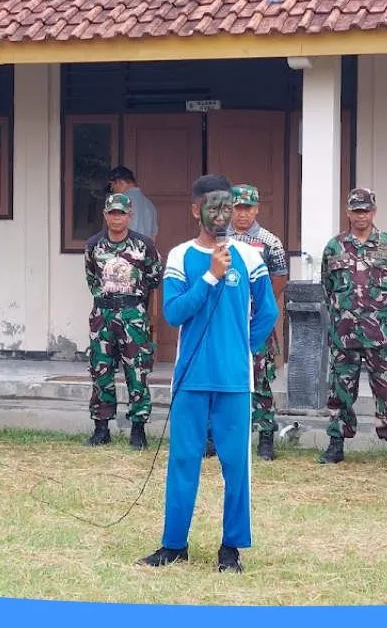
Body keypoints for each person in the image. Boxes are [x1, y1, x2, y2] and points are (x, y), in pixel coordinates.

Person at [138, 174, 278, 574]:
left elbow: (268, 311)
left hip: (234, 380)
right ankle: (173, 543)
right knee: (184, 460)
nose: (223, 215)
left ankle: (231, 547)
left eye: (228, 207)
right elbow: (174, 312)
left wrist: (242, 349)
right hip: (190, 378)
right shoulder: (181, 256)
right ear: (196, 210)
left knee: (236, 464)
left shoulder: (251, 257)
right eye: (213, 207)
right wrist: (212, 275)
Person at [318, 188, 387, 471]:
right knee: (339, 390)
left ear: (373, 212)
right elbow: (328, 288)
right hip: (344, 333)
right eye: (356, 211)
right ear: (348, 213)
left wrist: (380, 314)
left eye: (366, 211)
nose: (361, 216)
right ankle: (336, 444)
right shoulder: (334, 247)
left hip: (382, 335)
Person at [83, 192, 164, 450]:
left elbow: (154, 277)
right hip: (103, 316)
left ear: (130, 215)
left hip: (132, 316)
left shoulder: (144, 245)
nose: (117, 218)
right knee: (101, 370)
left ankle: (138, 429)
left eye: (122, 213)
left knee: (137, 371)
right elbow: (91, 278)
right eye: (112, 213)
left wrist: (134, 300)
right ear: (105, 215)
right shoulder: (94, 244)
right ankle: (101, 427)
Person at [229, 183, 289, 461]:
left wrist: (257, 309)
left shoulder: (269, 242)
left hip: (256, 323)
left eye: (247, 208)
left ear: (256, 209)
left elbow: (278, 282)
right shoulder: (218, 239)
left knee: (261, 379)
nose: (242, 214)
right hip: (225, 323)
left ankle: (265, 435)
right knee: (224, 377)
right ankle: (219, 435)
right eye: (237, 208)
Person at [108, 166, 158, 242]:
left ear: (120, 182)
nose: (112, 189)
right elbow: (153, 236)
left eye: (112, 185)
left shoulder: (119, 201)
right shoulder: (149, 204)